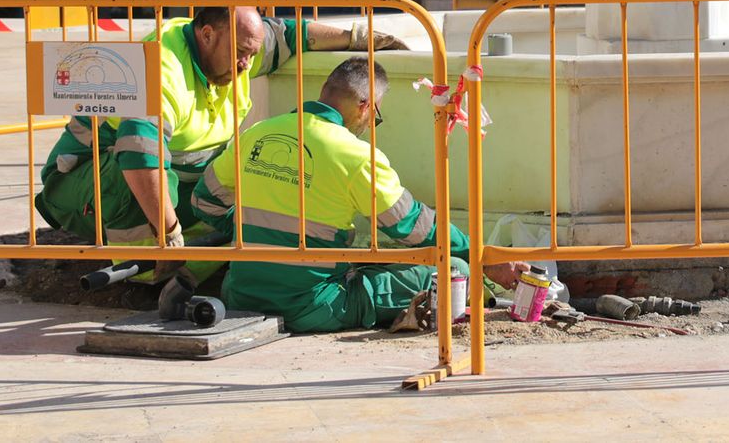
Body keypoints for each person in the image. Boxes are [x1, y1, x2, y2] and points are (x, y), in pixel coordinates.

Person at [34, 6, 404, 268]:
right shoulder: (161, 68)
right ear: (207, 35)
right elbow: (141, 158)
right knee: (141, 171)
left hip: (173, 173)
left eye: (252, 55)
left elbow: (289, 34)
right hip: (84, 181)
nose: (247, 65)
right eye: (242, 54)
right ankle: (146, 268)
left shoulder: (236, 48)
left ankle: (190, 260)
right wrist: (170, 236)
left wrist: (356, 38)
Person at [190, 57, 526, 332]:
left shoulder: (256, 134)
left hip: (241, 295)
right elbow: (413, 227)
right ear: (365, 106)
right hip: (311, 305)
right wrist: (482, 256)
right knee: (453, 271)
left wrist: (249, 230)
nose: (369, 125)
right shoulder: (355, 156)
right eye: (375, 116)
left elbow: (204, 201)